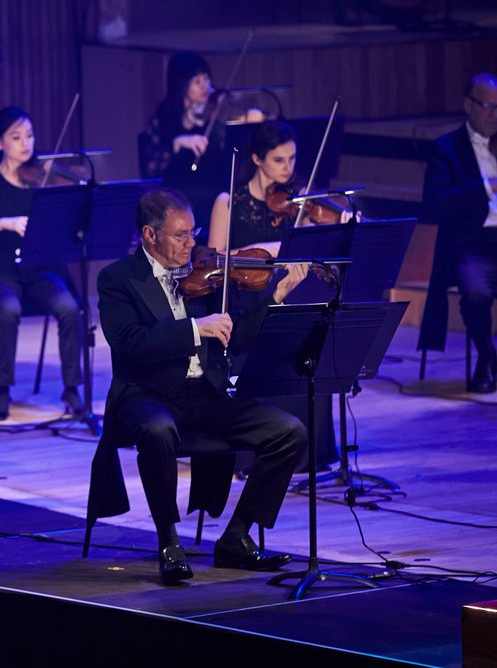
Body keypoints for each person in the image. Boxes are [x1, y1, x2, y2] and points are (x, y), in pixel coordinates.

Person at [90, 188, 307, 585]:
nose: (193, 244)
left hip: (203, 396)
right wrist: (194, 329)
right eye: (181, 235)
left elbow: (236, 341)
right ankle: (169, 542)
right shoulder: (118, 279)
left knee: (289, 431)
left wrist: (275, 296)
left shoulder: (206, 275)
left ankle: (237, 536)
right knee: (158, 431)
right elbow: (130, 344)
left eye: (194, 232)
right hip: (145, 394)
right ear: (150, 235)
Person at [208, 120, 340, 471]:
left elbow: (317, 252)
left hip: (291, 297)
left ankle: (312, 453)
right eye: (279, 160)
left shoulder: (301, 202)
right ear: (256, 159)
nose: (289, 168)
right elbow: (215, 261)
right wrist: (271, 249)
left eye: (293, 159)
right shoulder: (228, 202)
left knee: (316, 341)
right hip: (248, 303)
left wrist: (336, 221)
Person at [0, 107, 83, 421]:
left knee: (69, 308)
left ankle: (71, 388)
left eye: (29, 135)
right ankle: (2, 390)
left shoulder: (42, 179)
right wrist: (2, 222)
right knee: (8, 309)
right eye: (16, 137)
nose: (25, 143)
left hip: (38, 269)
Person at [419, 73, 497, 394]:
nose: (494, 115)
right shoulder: (446, 149)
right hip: (470, 244)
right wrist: (483, 187)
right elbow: (434, 205)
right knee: (476, 292)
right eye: (487, 106)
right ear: (468, 105)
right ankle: (488, 357)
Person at [142, 51, 262, 230]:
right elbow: (152, 166)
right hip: (178, 200)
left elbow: (230, 156)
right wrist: (177, 143)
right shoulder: (163, 117)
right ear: (181, 85)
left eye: (206, 79)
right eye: (197, 81)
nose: (205, 86)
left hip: (215, 197)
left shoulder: (217, 112)